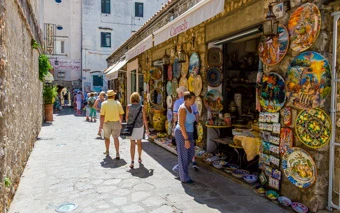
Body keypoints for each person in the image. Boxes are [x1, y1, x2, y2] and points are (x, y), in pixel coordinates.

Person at [173, 86, 199, 171]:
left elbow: (175, 116)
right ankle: (183, 174)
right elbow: (196, 114)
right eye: (193, 99)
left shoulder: (190, 105)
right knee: (184, 153)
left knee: (188, 153)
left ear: (181, 93)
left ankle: (179, 167)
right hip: (183, 131)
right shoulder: (183, 106)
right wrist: (196, 125)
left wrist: (174, 124)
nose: (194, 101)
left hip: (188, 130)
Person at [126, 92, 149, 169]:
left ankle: (132, 161)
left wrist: (128, 124)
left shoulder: (128, 107)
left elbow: (126, 118)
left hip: (131, 127)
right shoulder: (142, 107)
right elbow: (145, 120)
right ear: (138, 99)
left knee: (132, 144)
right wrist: (147, 129)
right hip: (139, 127)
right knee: (139, 143)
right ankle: (139, 157)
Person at [100, 90, 124, 159]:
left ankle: (107, 151)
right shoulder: (118, 103)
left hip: (107, 123)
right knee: (116, 138)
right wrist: (120, 122)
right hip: (116, 122)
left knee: (107, 138)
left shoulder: (104, 103)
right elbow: (121, 114)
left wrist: (101, 125)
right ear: (113, 96)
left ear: (107, 96)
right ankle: (117, 153)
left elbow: (102, 115)